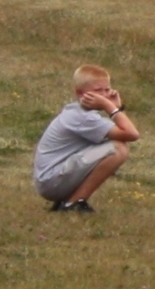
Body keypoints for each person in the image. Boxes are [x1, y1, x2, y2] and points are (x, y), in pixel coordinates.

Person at [33, 64, 140, 213]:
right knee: (118, 149)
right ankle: (73, 204)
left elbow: (124, 132)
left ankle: (69, 201)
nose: (104, 95)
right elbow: (132, 134)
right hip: (51, 182)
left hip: (53, 179)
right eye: (98, 91)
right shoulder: (81, 117)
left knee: (117, 145)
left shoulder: (84, 114)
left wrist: (117, 108)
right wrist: (111, 108)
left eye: (107, 89)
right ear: (80, 93)